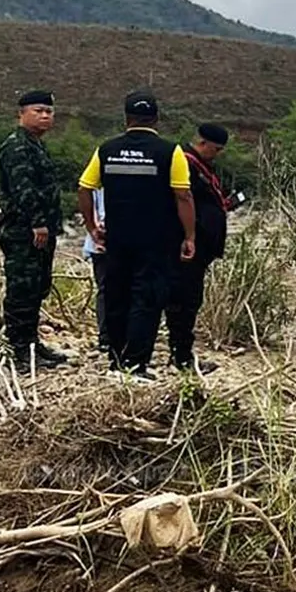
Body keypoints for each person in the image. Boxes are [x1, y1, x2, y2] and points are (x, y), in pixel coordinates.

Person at [77, 90, 196, 379]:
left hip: (117, 238)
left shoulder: (106, 149)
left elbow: (84, 188)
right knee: (147, 299)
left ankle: (116, 360)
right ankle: (136, 364)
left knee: (117, 296)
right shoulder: (170, 151)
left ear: (127, 118)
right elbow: (183, 196)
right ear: (156, 119)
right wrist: (190, 236)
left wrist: (92, 228)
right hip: (157, 241)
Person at [0, 89, 67, 368]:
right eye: (38, 111)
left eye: (49, 112)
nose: (45, 116)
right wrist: (37, 221)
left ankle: (33, 344)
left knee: (38, 287)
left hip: (41, 230)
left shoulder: (35, 144)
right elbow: (22, 188)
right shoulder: (16, 145)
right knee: (22, 289)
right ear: (21, 113)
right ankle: (19, 351)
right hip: (23, 230)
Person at [165, 122, 239, 373]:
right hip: (186, 246)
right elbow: (183, 200)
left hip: (202, 248)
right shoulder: (184, 163)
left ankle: (182, 352)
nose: (217, 154)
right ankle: (180, 356)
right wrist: (191, 236)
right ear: (202, 143)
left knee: (190, 300)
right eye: (215, 149)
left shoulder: (204, 167)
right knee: (183, 301)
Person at [83, 187, 107, 353]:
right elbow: (85, 195)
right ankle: (106, 337)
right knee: (105, 289)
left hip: (128, 238)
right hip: (101, 240)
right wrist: (93, 229)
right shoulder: (97, 174)